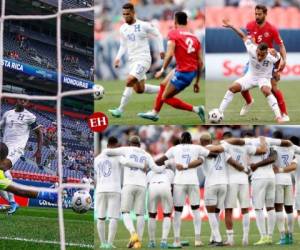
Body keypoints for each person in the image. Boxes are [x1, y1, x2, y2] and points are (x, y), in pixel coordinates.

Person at [138, 11, 205, 122]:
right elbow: (200, 63)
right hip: (187, 71)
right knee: (163, 84)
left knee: (165, 98)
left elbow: (169, 55)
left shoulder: (173, 33)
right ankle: (154, 113)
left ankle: (197, 109)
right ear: (186, 22)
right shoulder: (195, 38)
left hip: (183, 73)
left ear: (175, 21)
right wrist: (197, 81)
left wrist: (162, 69)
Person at [103, 135, 165, 249]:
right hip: (142, 186)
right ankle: (138, 242)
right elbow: (156, 168)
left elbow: (107, 152)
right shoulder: (146, 154)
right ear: (139, 144)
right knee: (140, 214)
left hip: (129, 184)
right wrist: (164, 166)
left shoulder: (126, 149)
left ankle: (133, 233)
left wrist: (118, 154)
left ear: (129, 143)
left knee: (125, 212)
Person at [218, 18, 284, 123]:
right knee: (231, 88)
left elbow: (280, 58)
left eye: (262, 55)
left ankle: (278, 116)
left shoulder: (272, 56)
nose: (259, 57)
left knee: (266, 91)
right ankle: (219, 112)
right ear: (256, 50)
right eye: (258, 54)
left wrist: (276, 71)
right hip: (250, 76)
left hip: (264, 78)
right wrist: (231, 26)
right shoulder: (251, 48)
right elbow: (243, 35)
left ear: (266, 53)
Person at [108, 3, 164, 118]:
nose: (125, 16)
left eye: (128, 14)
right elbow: (123, 45)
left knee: (129, 81)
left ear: (133, 13)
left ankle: (120, 110)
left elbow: (158, 34)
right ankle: (165, 90)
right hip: (132, 61)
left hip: (143, 59)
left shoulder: (144, 25)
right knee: (139, 89)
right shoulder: (123, 28)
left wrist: (161, 50)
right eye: (124, 14)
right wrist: (118, 58)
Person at [95, 136, 147, 249]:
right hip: (114, 189)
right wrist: (141, 165)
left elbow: (95, 174)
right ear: (115, 145)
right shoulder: (118, 156)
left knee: (100, 218)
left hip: (100, 189)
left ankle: (102, 243)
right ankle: (109, 243)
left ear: (108, 145)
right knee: (113, 218)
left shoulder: (97, 158)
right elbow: (127, 163)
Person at [240, 5, 289, 121]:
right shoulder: (250, 25)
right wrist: (264, 50)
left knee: (273, 88)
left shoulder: (272, 29)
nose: (257, 16)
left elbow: (281, 46)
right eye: (255, 14)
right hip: (255, 59)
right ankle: (249, 101)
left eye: (259, 14)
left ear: (265, 14)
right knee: (243, 86)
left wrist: (284, 60)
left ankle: (284, 114)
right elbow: (251, 43)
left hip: (268, 62)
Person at [0, 98, 43, 214]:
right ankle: (13, 203)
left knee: (3, 167)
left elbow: (39, 133)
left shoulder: (30, 116)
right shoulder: (8, 114)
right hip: (4, 147)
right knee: (1, 175)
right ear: (17, 100)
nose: (22, 102)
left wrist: (39, 151)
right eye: (21, 100)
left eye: (25, 101)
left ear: (27, 103)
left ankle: (13, 202)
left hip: (16, 148)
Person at [146, 167, 174, 249]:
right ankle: (164, 241)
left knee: (151, 215)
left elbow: (147, 186)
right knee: (167, 215)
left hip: (152, 187)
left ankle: (152, 242)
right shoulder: (170, 171)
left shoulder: (150, 172)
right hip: (165, 187)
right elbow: (172, 187)